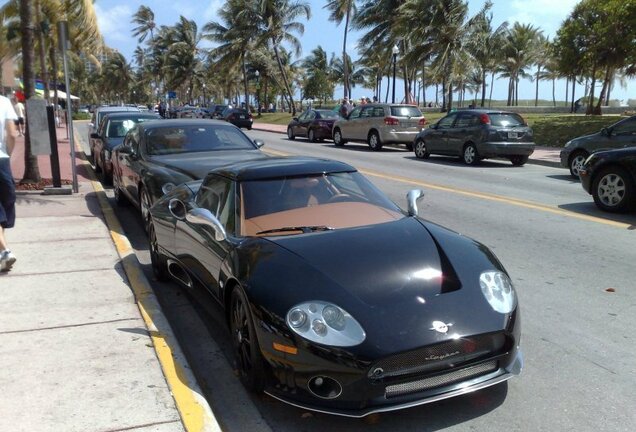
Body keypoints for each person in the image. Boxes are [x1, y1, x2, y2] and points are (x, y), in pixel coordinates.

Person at [0, 94, 18, 272]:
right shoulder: (4, 102)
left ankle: (4, 252)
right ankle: (3, 251)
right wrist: (7, 154)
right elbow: (12, 134)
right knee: (5, 207)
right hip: (2, 160)